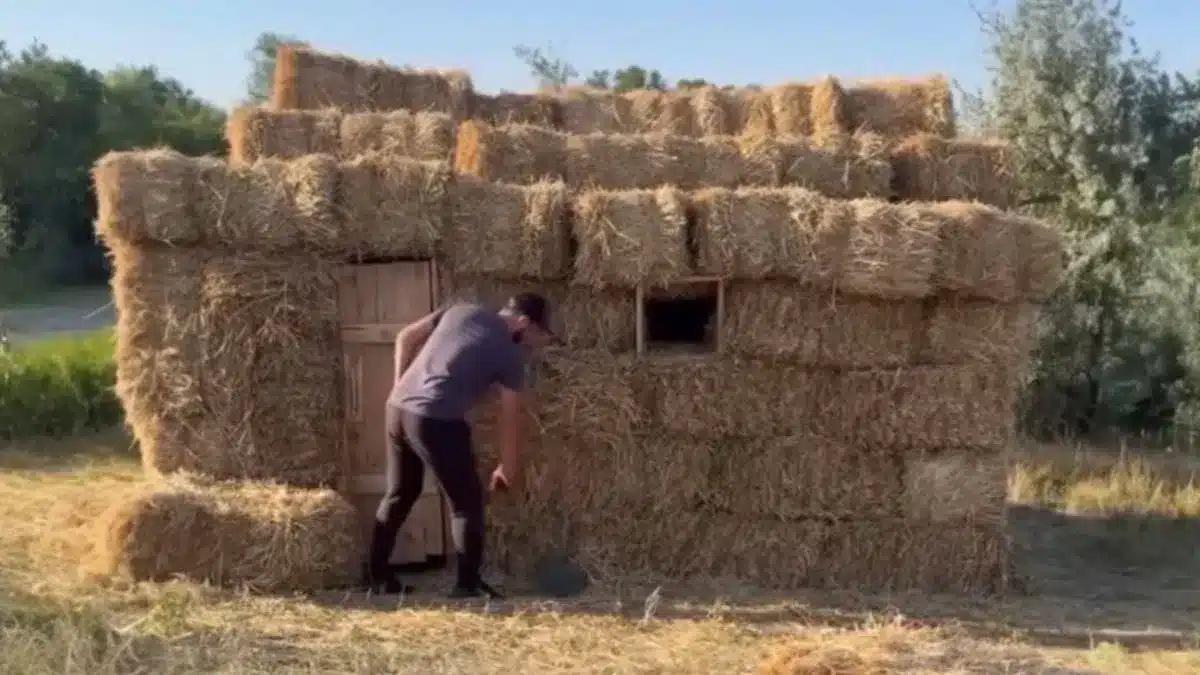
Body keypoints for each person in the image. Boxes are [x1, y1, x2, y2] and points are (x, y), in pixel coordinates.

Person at [366, 292, 559, 599]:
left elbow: (404, 337)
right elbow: (511, 414)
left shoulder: (461, 310)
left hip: (397, 409)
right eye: (535, 333)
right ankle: (467, 584)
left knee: (400, 492)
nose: (531, 341)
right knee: (466, 502)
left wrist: (400, 384)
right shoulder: (508, 355)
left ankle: (376, 576)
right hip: (435, 418)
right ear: (522, 322)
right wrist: (507, 466)